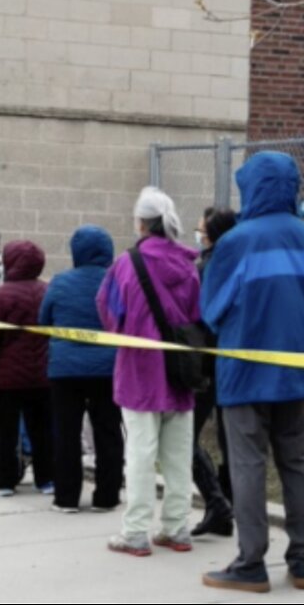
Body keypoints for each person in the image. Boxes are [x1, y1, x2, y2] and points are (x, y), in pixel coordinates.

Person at [200, 154, 304, 593]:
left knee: (248, 466)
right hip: (299, 368)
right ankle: (303, 561)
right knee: (299, 463)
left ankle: (251, 562)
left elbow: (210, 309)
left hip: (246, 372)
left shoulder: (236, 242)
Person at [97, 187, 200, 557]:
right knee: (177, 455)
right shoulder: (188, 264)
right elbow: (197, 315)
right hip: (180, 372)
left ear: (141, 223)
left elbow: (108, 310)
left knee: (140, 454)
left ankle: (136, 531)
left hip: (140, 371)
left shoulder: (127, 264)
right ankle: (177, 527)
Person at [40, 226, 123, 514]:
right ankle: (107, 496)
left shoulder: (60, 282)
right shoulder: (116, 282)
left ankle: (66, 497)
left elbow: (44, 319)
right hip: (108, 369)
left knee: (66, 432)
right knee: (108, 431)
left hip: (65, 370)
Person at [0, 240, 52, 497]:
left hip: (6, 380)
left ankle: (6, 481)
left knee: (6, 433)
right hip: (42, 377)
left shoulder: (1, 295)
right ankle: (46, 479)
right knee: (42, 432)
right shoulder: (46, 291)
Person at [192, 207, 237, 538]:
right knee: (229, 438)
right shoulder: (236, 262)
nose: (198, 236)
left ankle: (217, 504)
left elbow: (203, 317)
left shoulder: (209, 267)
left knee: (184, 437)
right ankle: (227, 506)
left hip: (209, 364)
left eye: (201, 231)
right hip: (231, 361)